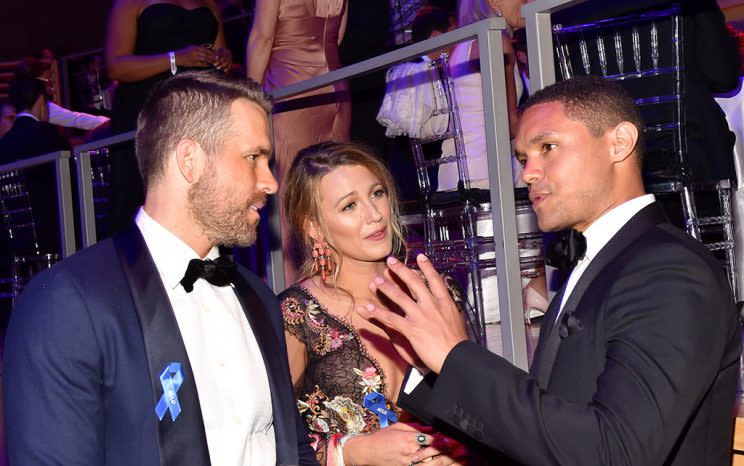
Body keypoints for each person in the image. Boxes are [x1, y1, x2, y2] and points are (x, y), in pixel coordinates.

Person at [357, 75, 741, 465]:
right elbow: (550, 432)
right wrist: (427, 369)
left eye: (548, 147)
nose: (527, 173)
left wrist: (456, 357)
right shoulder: (604, 260)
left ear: (619, 143)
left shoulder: (669, 271)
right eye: (524, 158)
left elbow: (615, 453)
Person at [3, 71, 317, 465]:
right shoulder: (69, 304)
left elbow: (294, 449)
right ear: (190, 160)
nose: (271, 182)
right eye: (254, 157)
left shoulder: (259, 298)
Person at [279, 142, 466, 465]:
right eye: (350, 206)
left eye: (377, 193)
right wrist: (354, 453)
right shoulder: (298, 314)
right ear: (313, 226)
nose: (375, 214)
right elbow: (272, 438)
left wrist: (458, 450)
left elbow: (476, 403)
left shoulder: (433, 292)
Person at [105, 0, 233, 233]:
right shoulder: (129, 3)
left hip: (198, 113)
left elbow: (219, 50)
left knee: (202, 195)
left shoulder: (209, 3)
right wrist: (175, 58)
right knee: (146, 198)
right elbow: (116, 66)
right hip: (149, 114)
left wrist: (224, 58)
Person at [246, 0, 351, 284]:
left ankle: (294, 296)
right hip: (336, 89)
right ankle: (338, 285)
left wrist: (250, 104)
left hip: (291, 92)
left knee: (288, 197)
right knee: (333, 191)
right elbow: (336, 35)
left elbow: (262, 37)